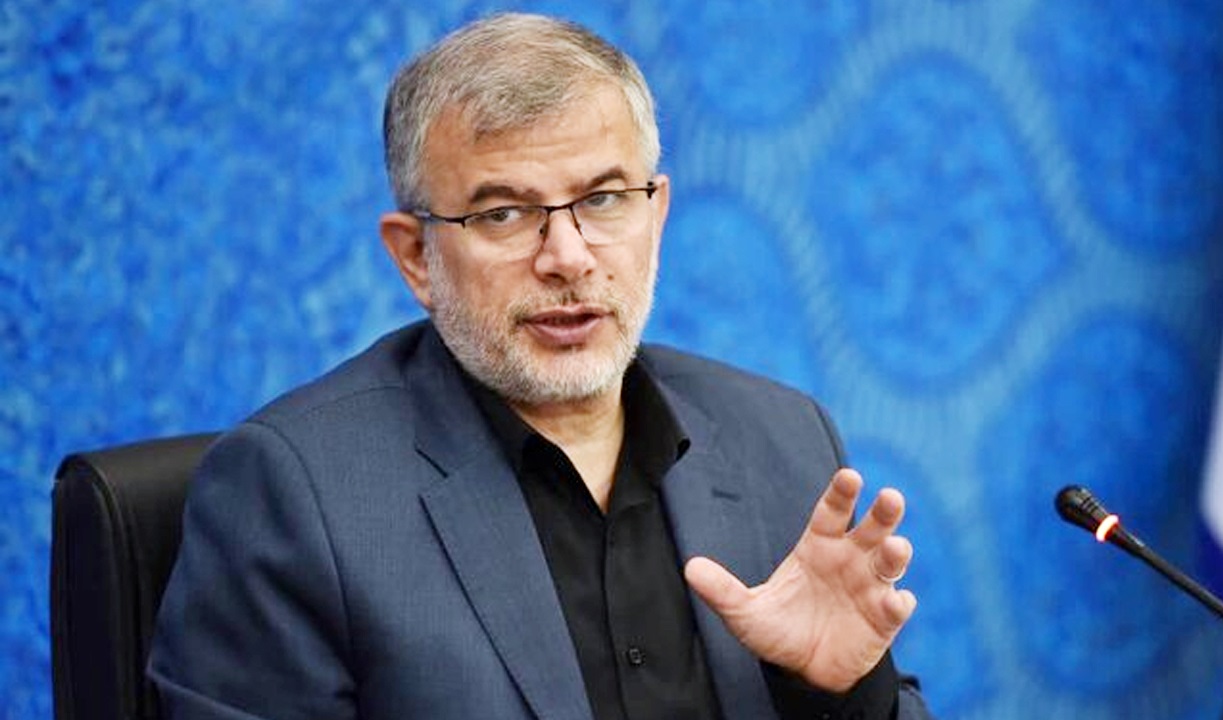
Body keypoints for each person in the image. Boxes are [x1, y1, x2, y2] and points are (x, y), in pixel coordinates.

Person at [149, 12, 933, 720]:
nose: (568, 257)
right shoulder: (293, 494)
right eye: (503, 213)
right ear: (416, 256)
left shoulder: (782, 439)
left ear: (656, 214)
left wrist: (839, 698)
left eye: (603, 199)